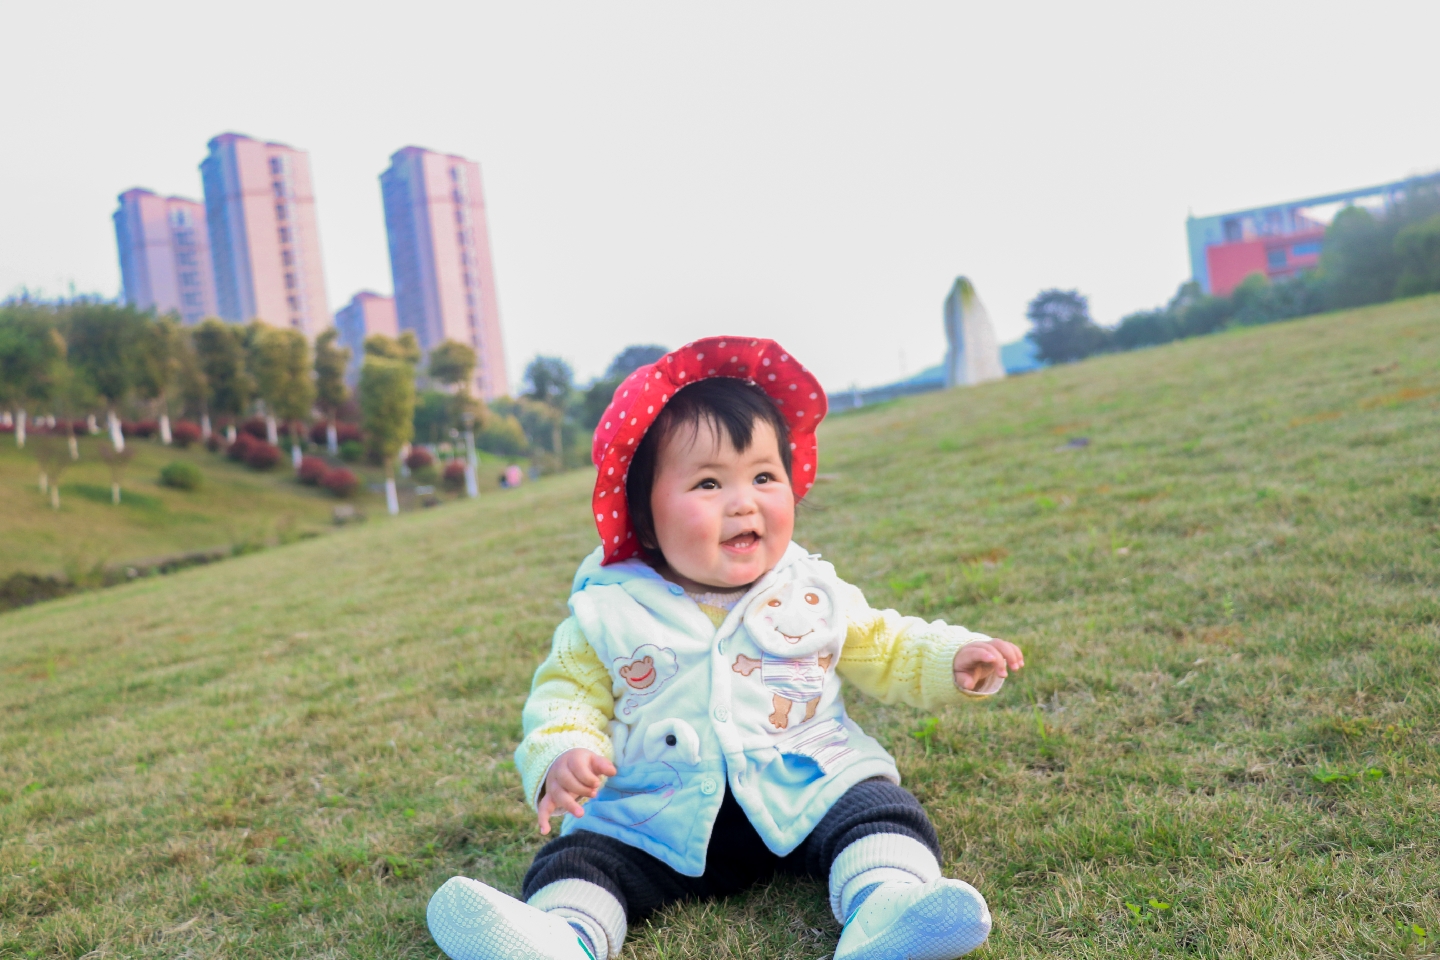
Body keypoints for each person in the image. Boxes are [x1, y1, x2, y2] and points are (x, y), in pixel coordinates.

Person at [427, 337, 1024, 960]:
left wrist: (950, 655)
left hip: (806, 789)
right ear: (644, 515)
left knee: (878, 809)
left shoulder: (809, 589)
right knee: (580, 857)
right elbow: (563, 700)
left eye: (764, 476)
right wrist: (564, 753)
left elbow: (887, 643)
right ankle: (563, 937)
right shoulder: (609, 612)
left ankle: (885, 908)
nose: (744, 502)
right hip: (656, 815)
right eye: (709, 482)